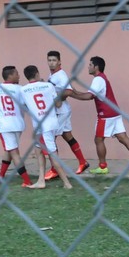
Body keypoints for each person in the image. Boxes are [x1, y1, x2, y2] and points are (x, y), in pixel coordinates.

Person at [70, 56, 129, 175]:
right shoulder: (102, 79)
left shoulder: (98, 80)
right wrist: (75, 92)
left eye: (90, 65)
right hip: (114, 112)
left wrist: (71, 95)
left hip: (105, 115)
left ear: (96, 67)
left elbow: (89, 96)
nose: (88, 67)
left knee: (98, 140)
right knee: (123, 138)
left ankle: (102, 166)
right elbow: (90, 94)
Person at [20, 65, 72, 189]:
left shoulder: (23, 90)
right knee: (38, 150)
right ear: (37, 74)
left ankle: (66, 183)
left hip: (40, 125)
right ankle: (41, 180)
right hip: (51, 122)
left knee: (52, 154)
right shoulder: (49, 86)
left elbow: (24, 106)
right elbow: (58, 104)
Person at [43, 50, 89, 180]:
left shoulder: (60, 75)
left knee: (50, 138)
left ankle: (54, 170)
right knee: (67, 135)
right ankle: (83, 162)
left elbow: (68, 91)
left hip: (61, 111)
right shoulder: (53, 75)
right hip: (61, 110)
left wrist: (58, 99)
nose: (51, 63)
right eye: (49, 60)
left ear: (59, 62)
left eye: (54, 60)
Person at [0, 66, 33, 187]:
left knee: (14, 152)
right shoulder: (20, 89)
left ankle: (27, 181)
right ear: (10, 75)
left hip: (5, 126)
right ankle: (0, 176)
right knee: (10, 149)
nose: (19, 76)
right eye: (17, 74)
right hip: (18, 125)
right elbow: (27, 105)